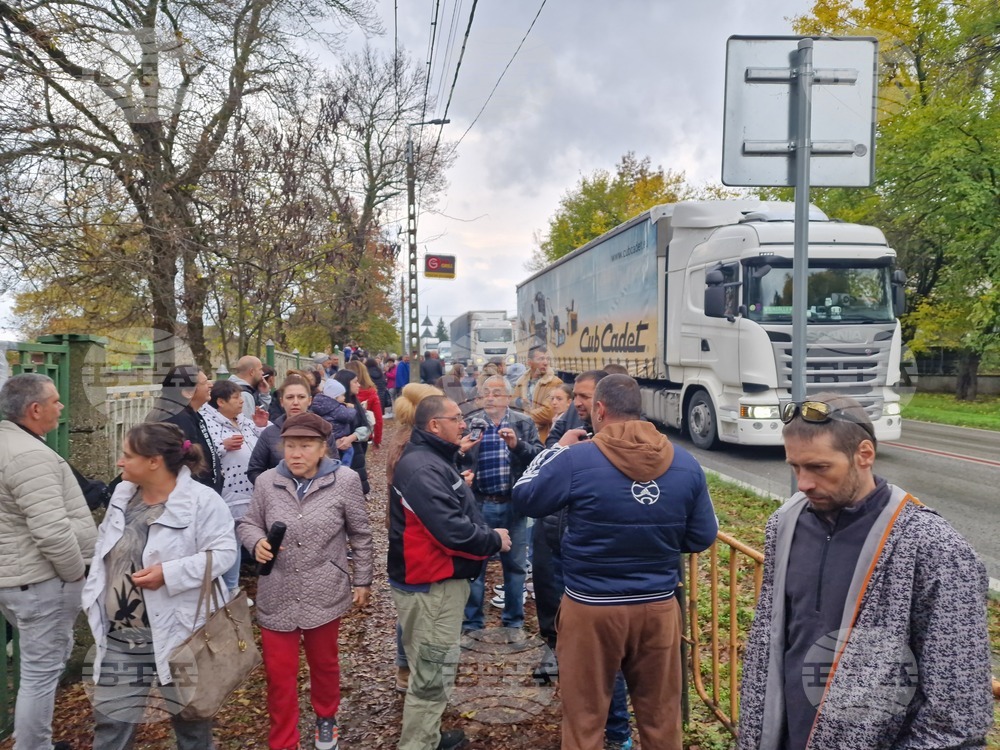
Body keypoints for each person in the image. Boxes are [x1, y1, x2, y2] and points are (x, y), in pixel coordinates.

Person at [736, 394, 993, 750]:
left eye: (819, 467)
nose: (804, 483)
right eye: (795, 467)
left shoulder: (933, 547)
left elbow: (957, 710)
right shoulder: (785, 523)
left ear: (865, 454)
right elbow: (770, 644)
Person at [513, 374, 718, 750]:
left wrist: (556, 448)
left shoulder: (577, 459)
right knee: (661, 718)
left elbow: (526, 496)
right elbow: (702, 536)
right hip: (657, 608)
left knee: (585, 719)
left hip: (591, 607)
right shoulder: (686, 463)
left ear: (600, 410)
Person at [83, 422, 237, 749]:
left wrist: (169, 573)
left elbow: (224, 554)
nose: (119, 462)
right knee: (111, 723)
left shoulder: (201, 501)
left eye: (127, 455)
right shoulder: (122, 497)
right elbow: (104, 551)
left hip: (183, 634)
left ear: (154, 461)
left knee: (192, 723)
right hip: (123, 632)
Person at [240, 413, 373, 750]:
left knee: (324, 663)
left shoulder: (344, 480)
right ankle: (283, 739)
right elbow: (248, 523)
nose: (296, 454)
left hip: (324, 588)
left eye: (305, 446)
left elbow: (360, 534)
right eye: (290, 446)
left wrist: (362, 580)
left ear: (322, 448)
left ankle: (326, 717)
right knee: (279, 675)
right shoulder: (267, 482)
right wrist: (256, 542)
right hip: (277, 592)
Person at [388, 396, 512, 750]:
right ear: (434, 425)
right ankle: (418, 744)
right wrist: (493, 539)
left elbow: (442, 513)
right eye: (456, 418)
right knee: (431, 673)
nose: (463, 424)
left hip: (433, 584)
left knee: (431, 665)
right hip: (432, 586)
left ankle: (427, 735)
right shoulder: (424, 468)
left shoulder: (433, 460)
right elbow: (451, 532)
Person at [0, 374, 98, 750]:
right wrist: (75, 575)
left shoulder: (14, 445)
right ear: (34, 409)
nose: (62, 407)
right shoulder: (30, 456)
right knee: (41, 674)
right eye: (55, 401)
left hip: (17, 579)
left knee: (37, 669)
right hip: (41, 584)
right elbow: (51, 532)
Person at [459, 375, 542, 632]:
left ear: (508, 398)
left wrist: (517, 445)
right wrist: (462, 457)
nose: (491, 397)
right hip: (479, 505)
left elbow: (539, 458)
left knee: (515, 567)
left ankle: (513, 621)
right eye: (487, 393)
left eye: (497, 393)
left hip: (513, 504)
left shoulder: (523, 423)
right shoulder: (470, 424)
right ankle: (473, 623)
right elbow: (453, 459)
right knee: (475, 565)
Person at [384, 383, 445, 694]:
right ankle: (409, 671)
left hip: (403, 529)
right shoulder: (413, 445)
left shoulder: (403, 437)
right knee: (414, 609)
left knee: (410, 609)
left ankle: (407, 667)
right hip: (414, 536)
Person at [201, 379, 270, 592]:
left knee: (243, 536)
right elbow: (202, 452)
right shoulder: (208, 423)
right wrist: (223, 446)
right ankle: (229, 589)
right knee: (231, 541)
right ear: (220, 402)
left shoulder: (242, 419)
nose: (242, 402)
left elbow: (266, 439)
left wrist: (262, 425)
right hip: (229, 491)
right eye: (236, 398)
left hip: (251, 490)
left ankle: (234, 587)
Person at [146, 365, 223, 492]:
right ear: (187, 392)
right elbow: (186, 463)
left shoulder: (190, 414)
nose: (211, 385)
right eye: (204, 382)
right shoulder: (178, 419)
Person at [248, 373, 313, 484]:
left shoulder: (323, 432)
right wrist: (274, 488)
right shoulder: (269, 433)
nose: (295, 402)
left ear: (310, 400)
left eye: (301, 397)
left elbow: (333, 467)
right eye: (290, 397)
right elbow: (254, 470)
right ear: (282, 402)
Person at [512, 344, 563, 444]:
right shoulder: (521, 382)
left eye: (547, 359)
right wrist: (519, 403)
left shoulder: (554, 383)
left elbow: (549, 412)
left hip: (542, 439)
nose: (545, 362)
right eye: (541, 359)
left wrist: (522, 417)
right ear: (530, 362)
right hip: (522, 438)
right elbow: (512, 403)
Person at [348, 359, 384, 449]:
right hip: (364, 434)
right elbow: (378, 419)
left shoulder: (342, 393)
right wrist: (377, 440)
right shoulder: (371, 392)